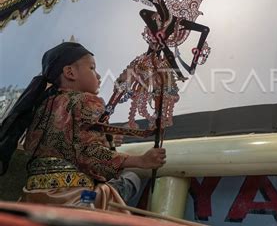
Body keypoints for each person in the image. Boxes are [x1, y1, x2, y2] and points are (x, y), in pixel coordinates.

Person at [0, 42, 165, 211]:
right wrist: (140, 160)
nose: (99, 76)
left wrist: (107, 139)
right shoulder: (86, 101)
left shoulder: (41, 107)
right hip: (75, 199)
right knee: (131, 177)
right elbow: (89, 152)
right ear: (70, 72)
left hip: (32, 197)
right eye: (92, 68)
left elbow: (61, 143)